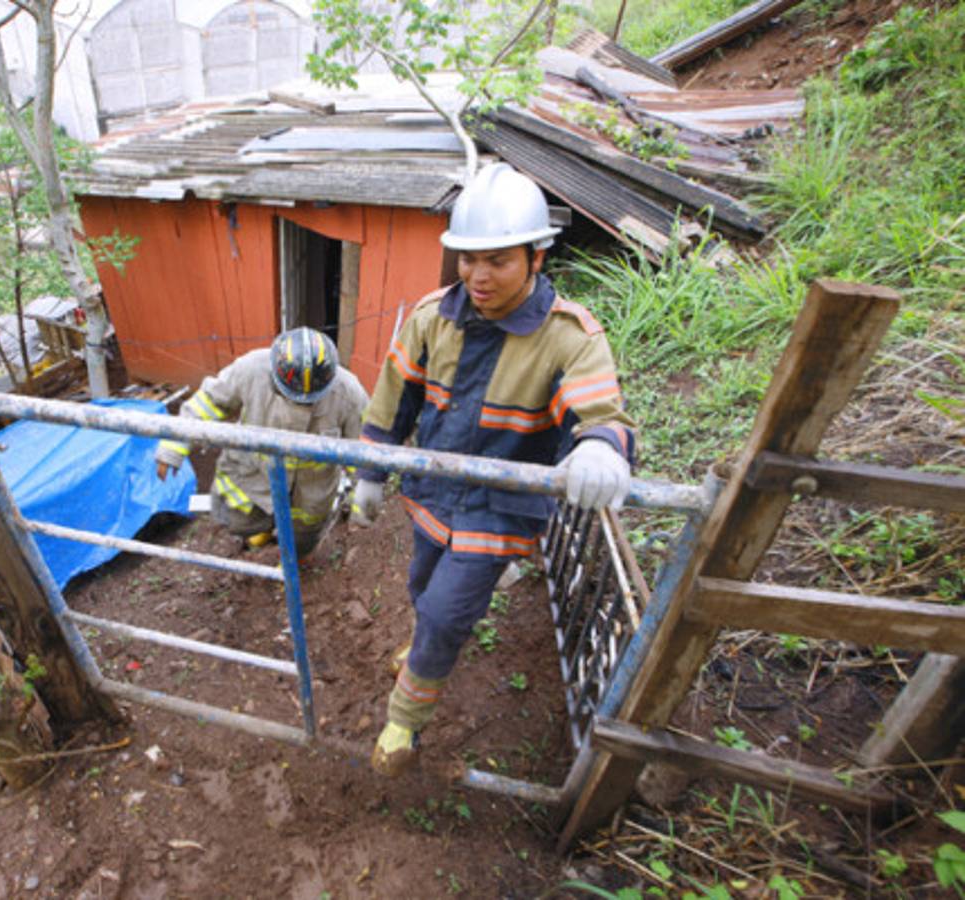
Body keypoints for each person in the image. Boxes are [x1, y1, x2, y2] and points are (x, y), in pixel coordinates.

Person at [350, 162, 635, 777]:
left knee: (449, 614)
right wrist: (372, 467)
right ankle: (422, 641)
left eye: (498, 260)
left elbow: (600, 412)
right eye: (467, 259)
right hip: (433, 494)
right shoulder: (433, 317)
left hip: (502, 508)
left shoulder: (571, 337)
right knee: (423, 590)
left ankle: (405, 721)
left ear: (535, 257)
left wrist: (600, 448)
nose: (478, 276)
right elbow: (394, 394)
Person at [156, 326, 368, 558]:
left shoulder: (349, 394)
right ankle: (262, 531)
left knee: (303, 540)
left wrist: (362, 500)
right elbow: (209, 402)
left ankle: (295, 561)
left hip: (310, 494)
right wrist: (173, 447)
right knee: (236, 520)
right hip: (254, 476)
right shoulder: (252, 370)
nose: (301, 403)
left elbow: (363, 451)